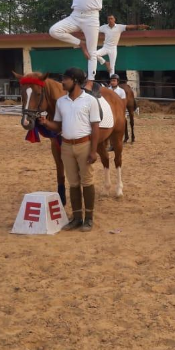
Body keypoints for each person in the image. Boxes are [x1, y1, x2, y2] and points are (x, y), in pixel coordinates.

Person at [23, 0, 155, 90]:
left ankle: (90, 81)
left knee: (92, 53)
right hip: (75, 16)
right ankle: (81, 43)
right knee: (54, 31)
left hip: (91, 18)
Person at [39, 67, 101, 232]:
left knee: (87, 181)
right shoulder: (61, 102)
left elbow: (95, 127)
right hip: (66, 146)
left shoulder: (90, 101)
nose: (62, 82)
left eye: (65, 79)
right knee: (73, 183)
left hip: (84, 145)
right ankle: (76, 217)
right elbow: (58, 125)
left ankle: (88, 218)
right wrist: (46, 123)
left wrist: (94, 151)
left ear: (75, 81)